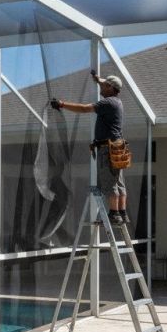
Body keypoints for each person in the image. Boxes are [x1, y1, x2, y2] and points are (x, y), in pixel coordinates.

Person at [50, 71, 128, 226]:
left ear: (111, 88)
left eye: (105, 85)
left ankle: (114, 215)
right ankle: (122, 213)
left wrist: (61, 104)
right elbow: (106, 84)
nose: (102, 87)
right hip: (117, 147)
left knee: (109, 182)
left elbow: (85, 109)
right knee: (118, 182)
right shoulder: (117, 102)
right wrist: (98, 80)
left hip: (107, 148)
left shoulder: (108, 103)